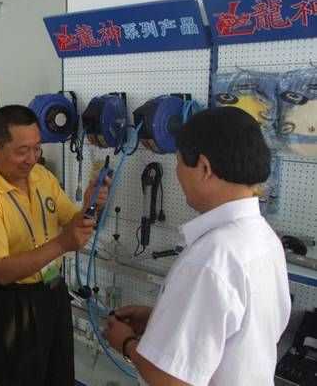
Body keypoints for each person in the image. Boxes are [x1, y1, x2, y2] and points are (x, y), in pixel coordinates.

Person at [104, 106, 291, 385]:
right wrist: (160, 321)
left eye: (179, 162)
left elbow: (170, 380)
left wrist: (126, 343)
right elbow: (237, 329)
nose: (177, 173)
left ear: (204, 168)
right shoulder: (264, 238)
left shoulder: (211, 258)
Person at [0, 105, 109, 386]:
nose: (31, 159)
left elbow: (71, 221)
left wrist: (91, 206)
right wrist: (62, 244)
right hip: (11, 304)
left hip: (52, 292)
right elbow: (0, 270)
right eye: (22, 151)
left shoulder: (42, 177)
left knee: (60, 376)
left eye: (37, 148)